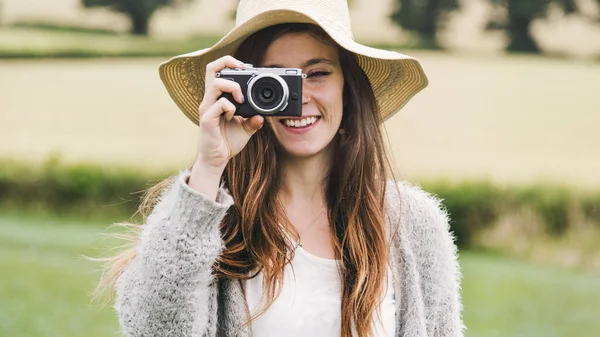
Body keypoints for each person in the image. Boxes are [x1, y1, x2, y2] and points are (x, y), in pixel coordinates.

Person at [98, 0, 465, 336]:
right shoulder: (207, 217)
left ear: (347, 88)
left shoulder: (410, 222)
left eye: (317, 73)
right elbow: (152, 329)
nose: (299, 97)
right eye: (274, 81)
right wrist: (209, 166)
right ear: (241, 89)